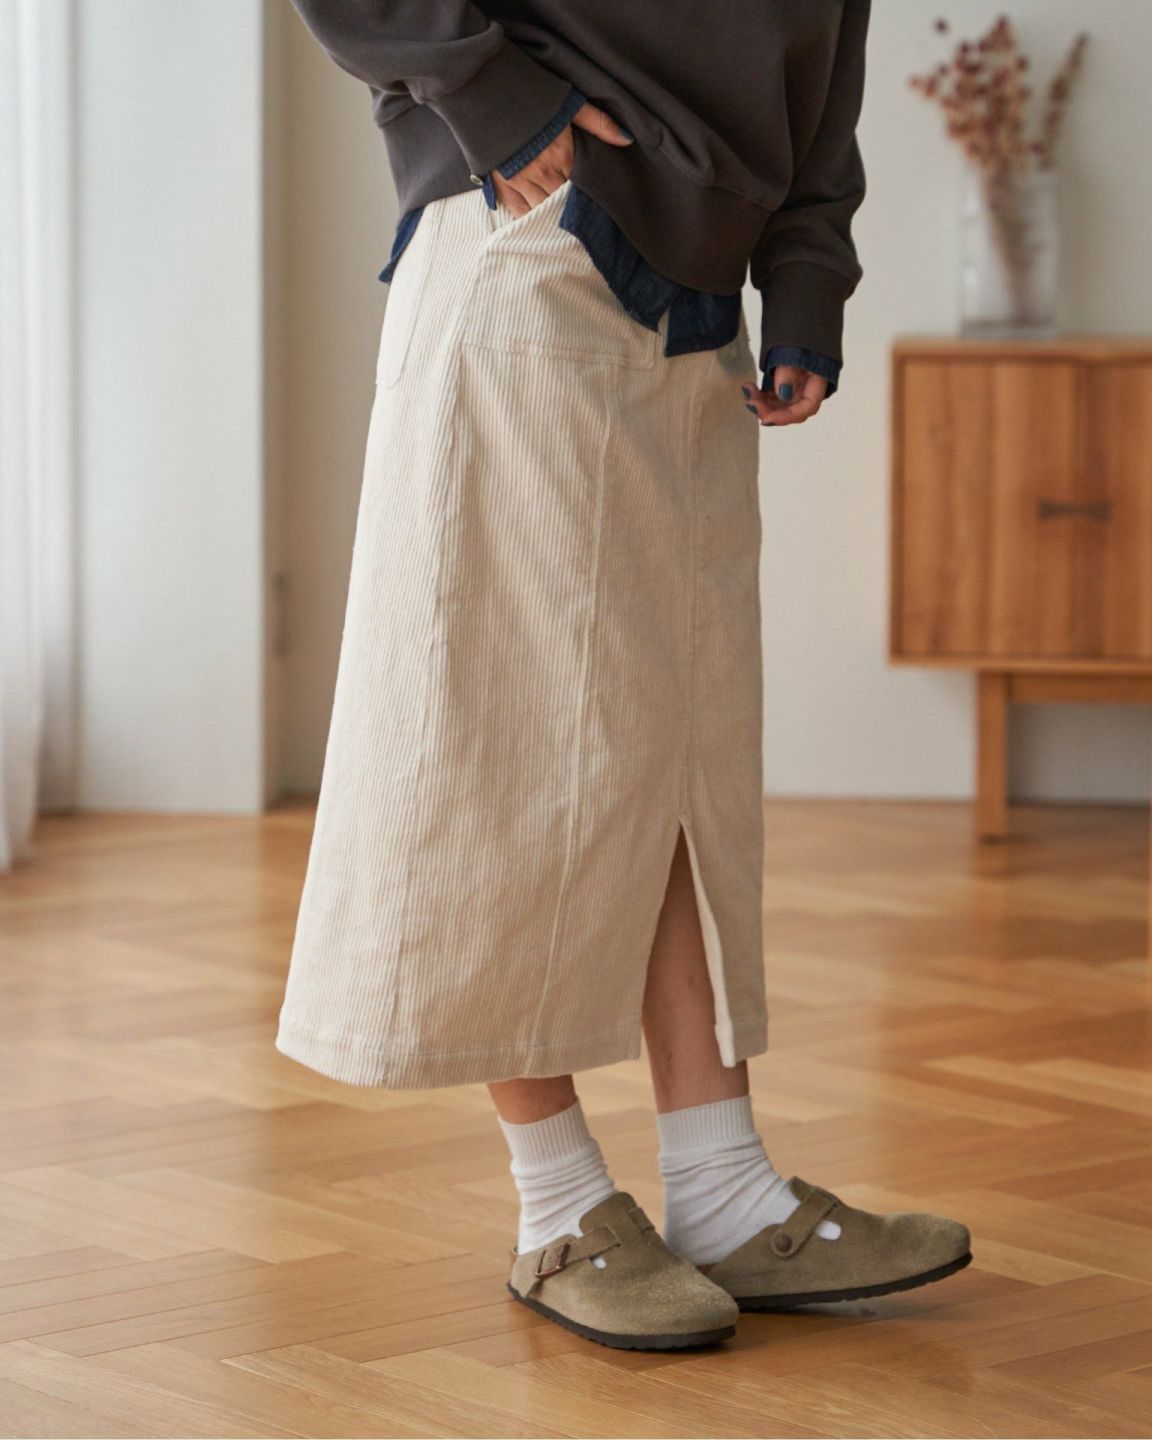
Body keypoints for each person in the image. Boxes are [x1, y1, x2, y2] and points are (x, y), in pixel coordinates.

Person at [275, 0, 972, 1351]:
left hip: (698, 310)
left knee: (667, 757)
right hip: (528, 238)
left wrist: (806, 284)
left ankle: (723, 1188)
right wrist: (503, 107)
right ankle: (557, 1205)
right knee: (503, 737)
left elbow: (820, 90)